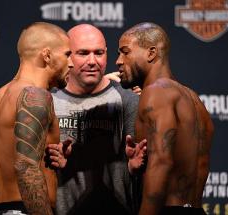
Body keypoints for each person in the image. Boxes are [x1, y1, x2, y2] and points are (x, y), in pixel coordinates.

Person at [0, 22, 73, 215]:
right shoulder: (35, 96)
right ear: (47, 55)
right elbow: (26, 168)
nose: (72, 63)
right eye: (67, 54)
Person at [116, 22, 214, 215]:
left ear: (151, 53)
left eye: (125, 52)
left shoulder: (156, 92)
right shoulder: (193, 98)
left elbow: (162, 162)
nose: (119, 60)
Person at [50, 24, 140, 215]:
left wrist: (135, 169)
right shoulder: (49, 101)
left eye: (98, 53)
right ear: (68, 56)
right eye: (83, 53)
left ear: (107, 54)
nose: (92, 61)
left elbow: (140, 168)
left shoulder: (127, 100)